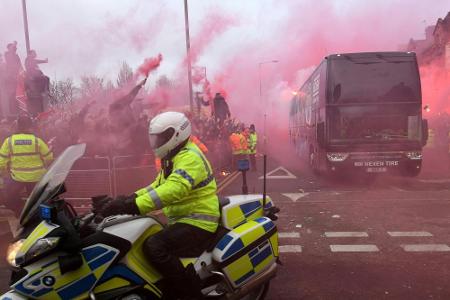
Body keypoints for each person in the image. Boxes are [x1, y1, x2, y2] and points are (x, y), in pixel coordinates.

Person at [99, 111, 220, 299]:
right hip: (183, 218)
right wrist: (126, 199)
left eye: (161, 137)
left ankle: (189, 293)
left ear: (177, 134)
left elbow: (173, 190)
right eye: (155, 138)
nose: (156, 143)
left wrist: (131, 207)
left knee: (154, 246)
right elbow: (157, 186)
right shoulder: (173, 157)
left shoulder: (190, 157)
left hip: (198, 220)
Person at [0, 115, 53, 216]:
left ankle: (21, 212)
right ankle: (42, 220)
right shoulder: (37, 141)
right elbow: (49, 158)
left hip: (16, 178)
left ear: (17, 126)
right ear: (30, 126)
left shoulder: (9, 141)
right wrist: (44, 166)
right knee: (39, 202)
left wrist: (5, 174)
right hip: (37, 177)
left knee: (8, 198)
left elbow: (1, 162)